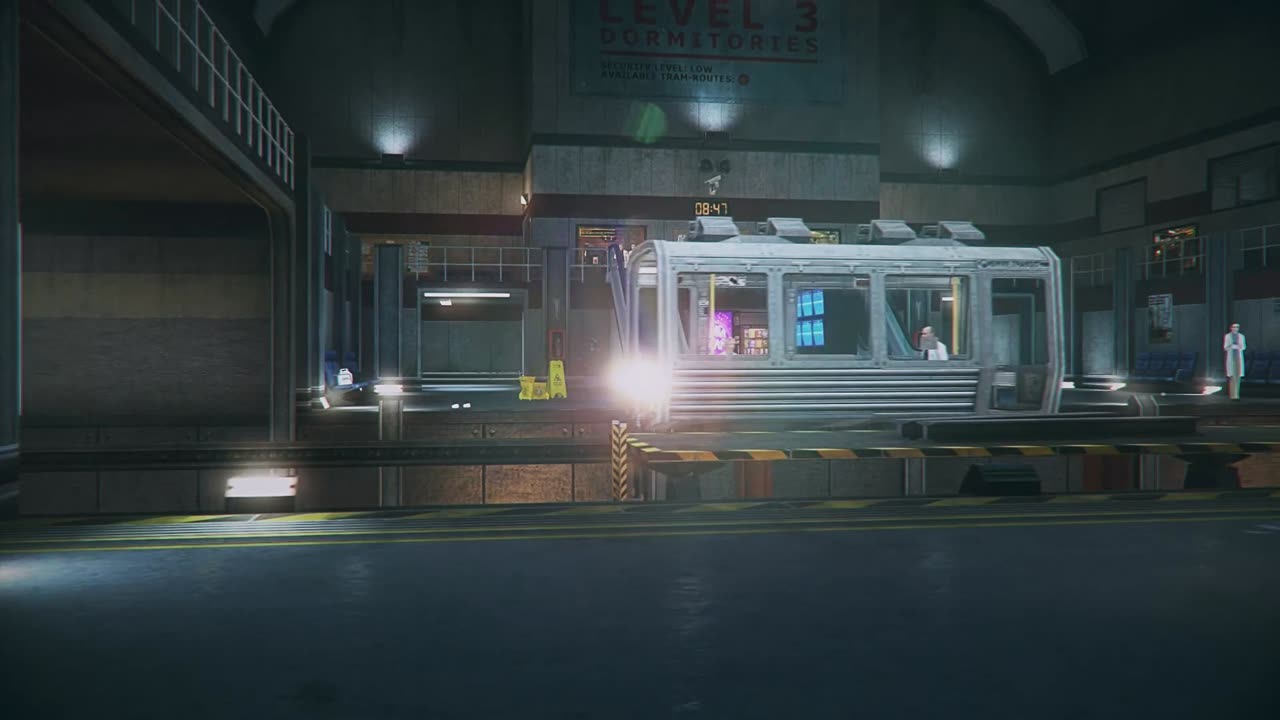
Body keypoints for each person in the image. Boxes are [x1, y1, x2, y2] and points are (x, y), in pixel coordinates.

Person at [1223, 323, 1246, 401]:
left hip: (1238, 358)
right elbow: (1225, 347)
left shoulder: (1241, 336)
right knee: (1232, 376)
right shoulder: (1227, 336)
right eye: (1234, 327)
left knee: (1238, 376)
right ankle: (1232, 395)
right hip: (1231, 358)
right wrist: (1231, 345)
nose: (1235, 328)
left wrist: (1238, 346)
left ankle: (1236, 395)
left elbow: (1243, 347)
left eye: (1237, 327)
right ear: (1231, 328)